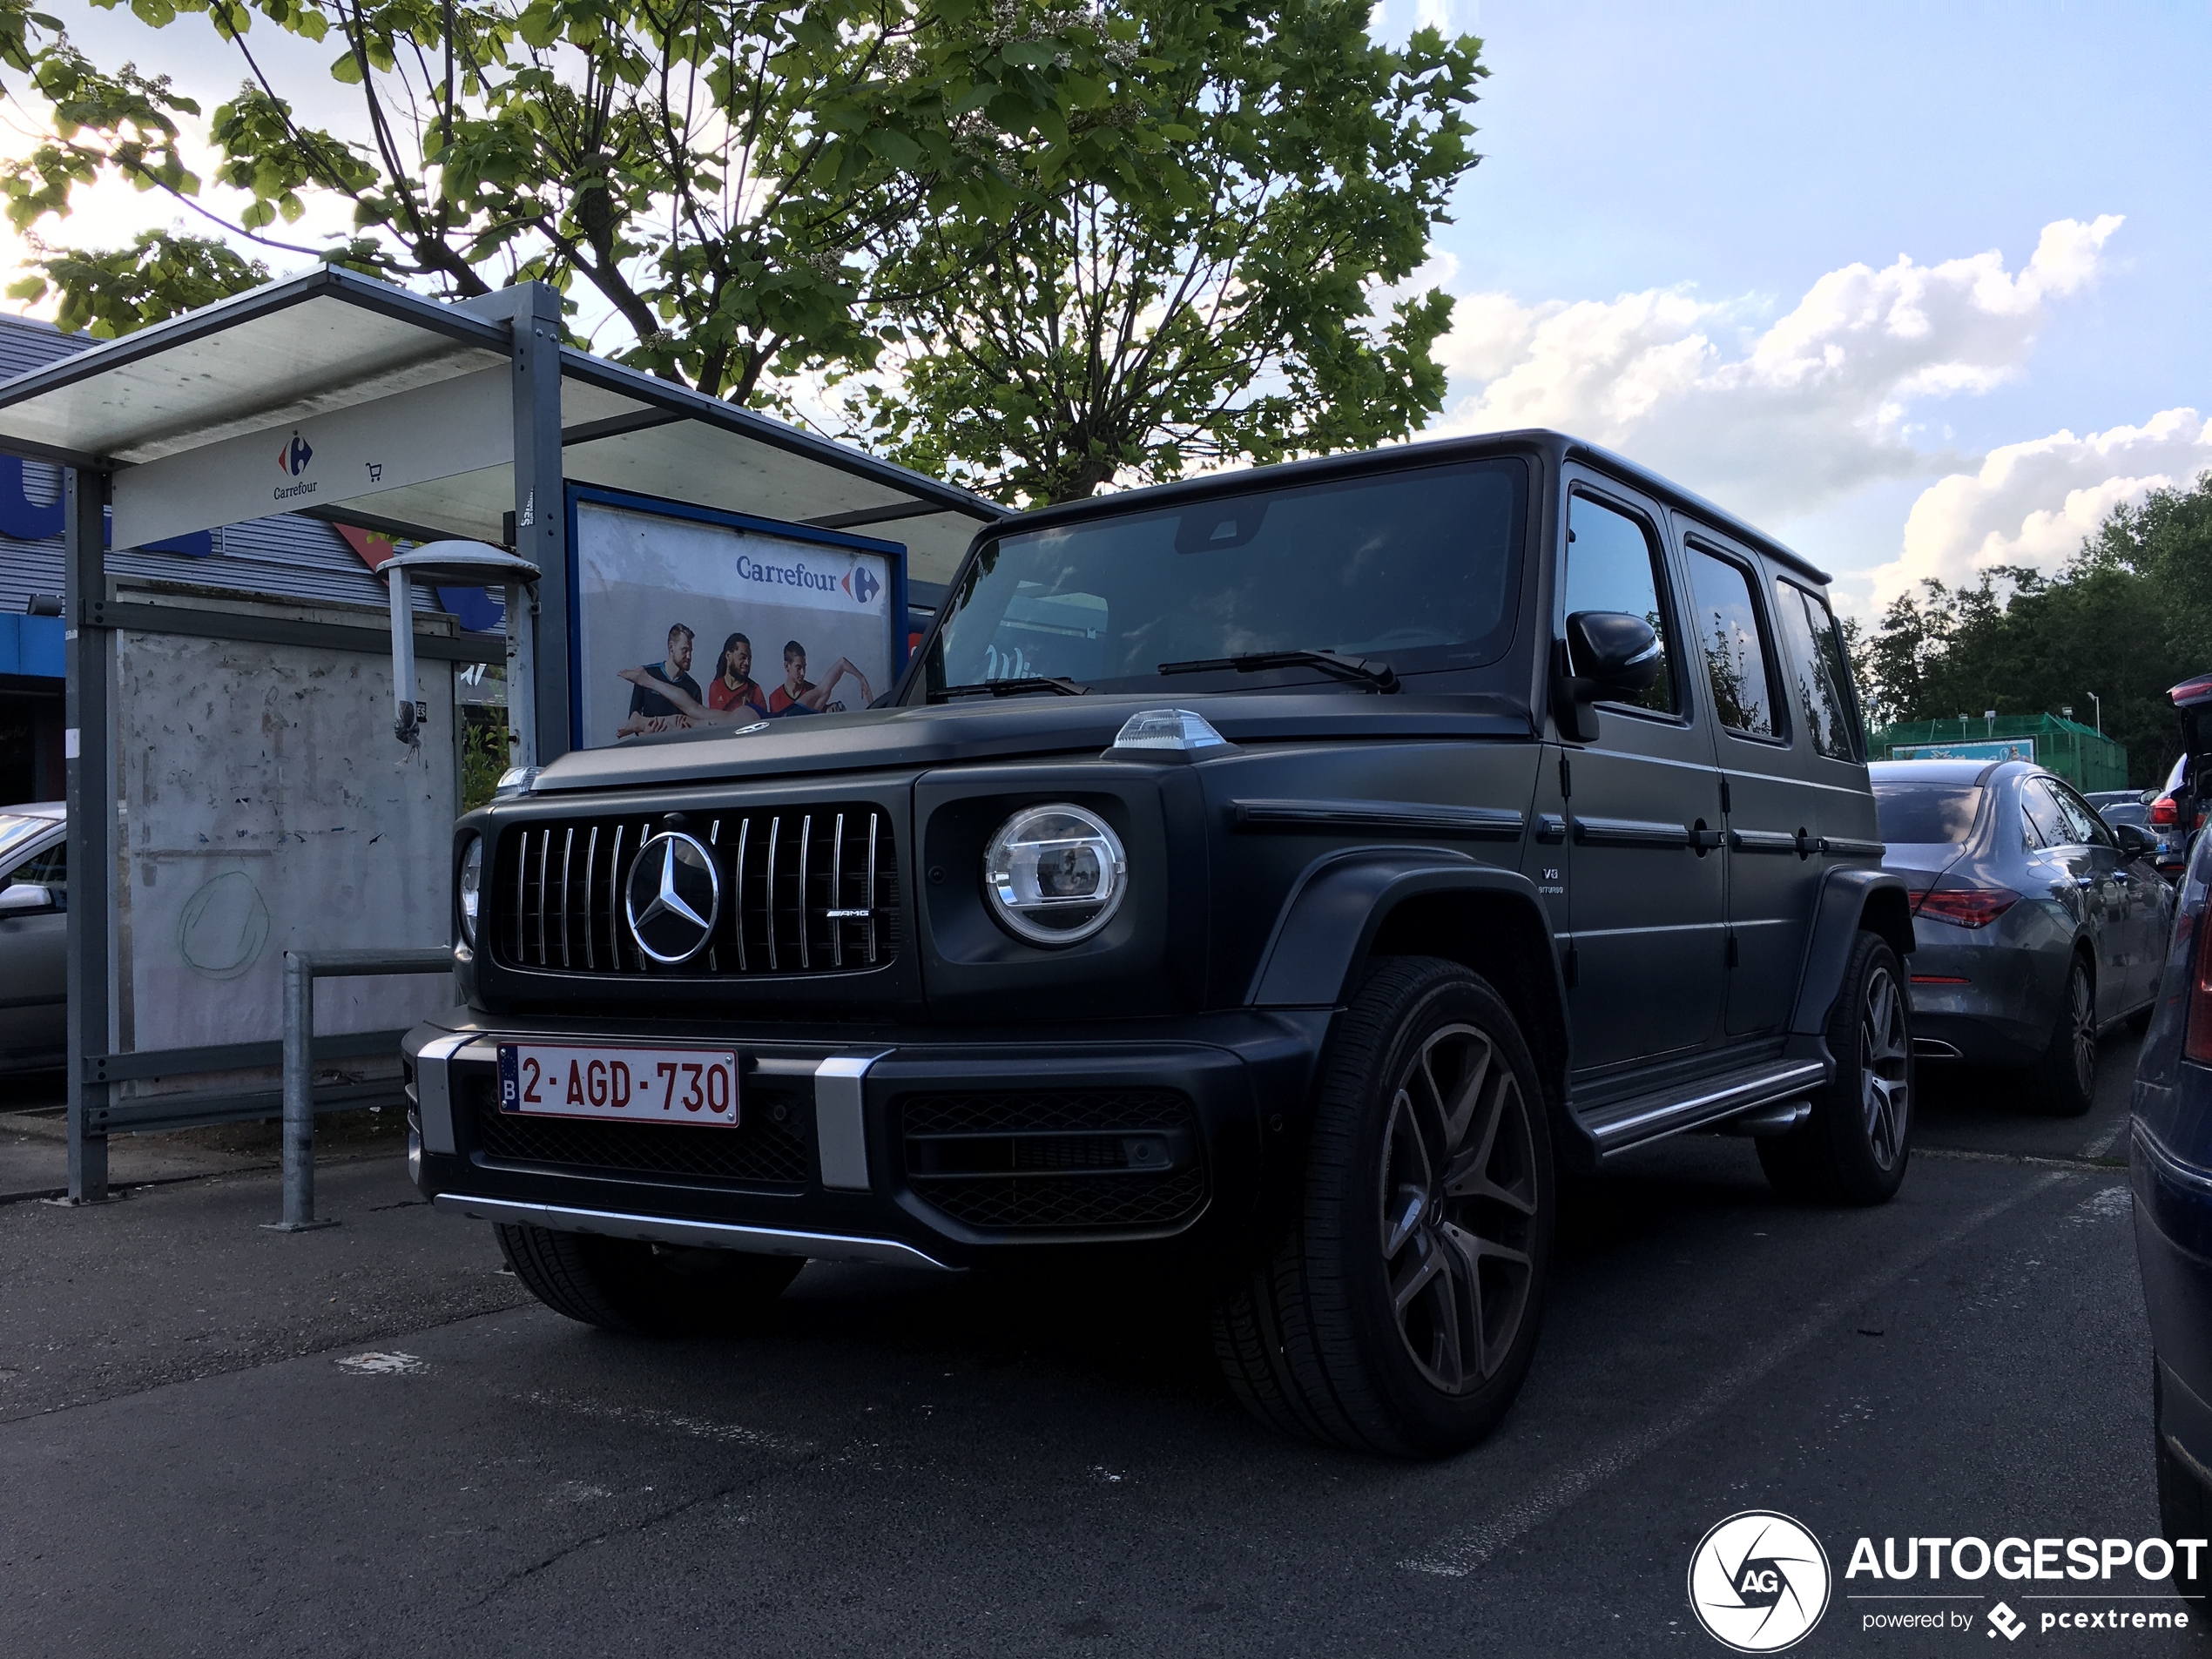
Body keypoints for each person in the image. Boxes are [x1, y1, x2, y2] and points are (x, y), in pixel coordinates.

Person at [768, 640, 872, 717]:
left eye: (804, 667)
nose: (803, 673)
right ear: (787, 666)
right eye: (798, 668)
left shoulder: (812, 692)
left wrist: (861, 678)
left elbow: (842, 663)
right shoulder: (775, 697)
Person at [623, 624, 701, 725]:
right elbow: (634, 715)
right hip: (650, 740)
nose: (689, 657)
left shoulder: (693, 689)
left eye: (691, 651)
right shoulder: (646, 675)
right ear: (671, 647)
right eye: (684, 651)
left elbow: (696, 727)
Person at [706, 631, 768, 718]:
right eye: (742, 657)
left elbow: (763, 722)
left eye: (749, 659)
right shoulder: (716, 686)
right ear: (728, 656)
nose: (747, 663)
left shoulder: (754, 690)